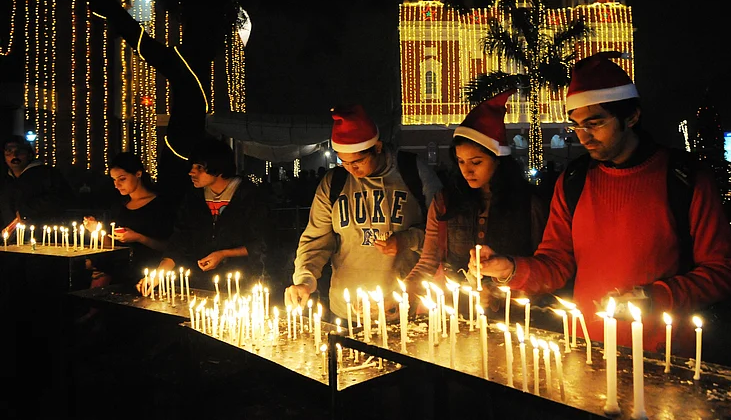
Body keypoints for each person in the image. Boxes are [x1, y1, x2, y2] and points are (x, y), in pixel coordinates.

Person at [471, 51, 731, 354]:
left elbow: (724, 271)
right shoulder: (573, 180)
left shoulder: (683, 178)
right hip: (587, 351)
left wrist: (655, 297)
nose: (583, 137)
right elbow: (557, 263)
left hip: (664, 357)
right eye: (575, 125)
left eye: (595, 123)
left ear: (632, 116)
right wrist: (509, 269)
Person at [285, 104, 443, 322]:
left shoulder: (412, 172)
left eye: (358, 161)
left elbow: (445, 232)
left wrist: (407, 240)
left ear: (377, 148)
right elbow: (315, 240)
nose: (351, 169)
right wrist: (305, 280)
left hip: (402, 308)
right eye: (344, 162)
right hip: (347, 310)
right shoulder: (335, 183)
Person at [405, 91, 548, 317]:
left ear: (498, 160)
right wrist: (405, 292)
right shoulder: (445, 202)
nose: (467, 170)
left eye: (476, 162)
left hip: (513, 318)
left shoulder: (528, 204)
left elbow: (543, 269)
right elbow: (429, 260)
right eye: (461, 161)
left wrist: (498, 294)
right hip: (454, 315)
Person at [144, 137, 273, 292]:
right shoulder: (193, 197)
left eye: (199, 167)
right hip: (200, 284)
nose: (192, 172)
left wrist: (224, 254)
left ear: (218, 168)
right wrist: (158, 275)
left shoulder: (249, 196)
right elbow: (179, 240)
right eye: (192, 165)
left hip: (242, 284)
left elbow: (262, 243)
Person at [83, 152, 174, 288]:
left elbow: (171, 247)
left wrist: (139, 237)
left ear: (138, 174)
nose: (117, 185)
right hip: (120, 273)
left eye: (122, 179)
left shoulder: (160, 205)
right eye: (114, 180)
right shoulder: (119, 207)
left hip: (150, 274)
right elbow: (112, 246)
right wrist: (96, 229)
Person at [1, 134, 73, 238]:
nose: (14, 155)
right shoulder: (5, 181)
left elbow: (62, 198)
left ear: (29, 154)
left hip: (43, 237)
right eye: (9, 151)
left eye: (19, 151)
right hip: (11, 241)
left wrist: (27, 211)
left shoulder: (47, 175)